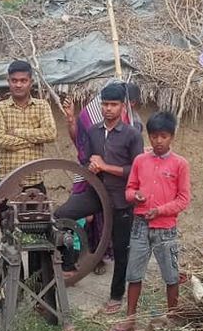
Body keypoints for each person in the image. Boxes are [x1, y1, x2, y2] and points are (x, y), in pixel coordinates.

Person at [56, 84, 143, 314]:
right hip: (95, 193)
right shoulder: (94, 131)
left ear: (122, 107)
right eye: (105, 104)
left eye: (113, 105)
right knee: (60, 215)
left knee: (122, 249)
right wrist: (71, 122)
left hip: (121, 199)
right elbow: (83, 153)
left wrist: (106, 166)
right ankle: (68, 263)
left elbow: (136, 170)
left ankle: (116, 295)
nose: (108, 109)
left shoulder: (132, 134)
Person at [123, 111, 191, 330]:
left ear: (172, 137)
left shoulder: (180, 164)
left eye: (163, 136)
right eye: (153, 136)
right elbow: (129, 189)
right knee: (134, 273)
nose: (158, 141)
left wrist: (160, 210)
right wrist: (136, 196)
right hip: (140, 226)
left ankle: (172, 317)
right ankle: (130, 318)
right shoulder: (140, 161)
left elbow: (183, 199)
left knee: (171, 276)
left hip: (166, 229)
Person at [0, 60, 57, 192]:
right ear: (8, 81)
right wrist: (34, 140)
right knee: (0, 213)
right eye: (14, 80)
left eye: (23, 80)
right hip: (5, 180)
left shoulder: (42, 106)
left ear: (31, 82)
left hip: (34, 181)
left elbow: (50, 134)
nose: (18, 85)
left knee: (38, 213)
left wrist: (16, 132)